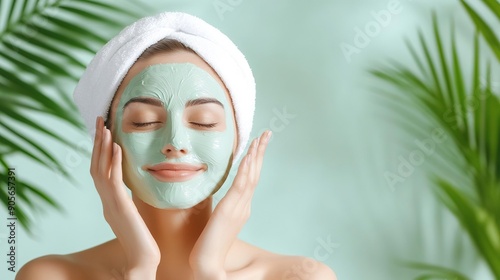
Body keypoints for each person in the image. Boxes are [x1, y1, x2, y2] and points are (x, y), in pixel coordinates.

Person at [16, 12, 336, 280]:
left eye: (204, 121)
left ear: (237, 141)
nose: (175, 143)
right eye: (143, 121)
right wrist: (140, 268)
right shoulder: (52, 275)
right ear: (106, 138)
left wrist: (209, 270)